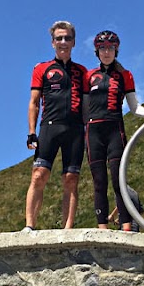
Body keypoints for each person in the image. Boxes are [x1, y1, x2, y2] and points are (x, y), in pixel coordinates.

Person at [83, 31, 144, 231]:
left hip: (114, 130)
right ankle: (102, 229)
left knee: (119, 181)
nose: (107, 52)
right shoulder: (88, 76)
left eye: (111, 48)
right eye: (102, 48)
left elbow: (135, 107)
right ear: (97, 51)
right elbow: (83, 109)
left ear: (116, 50)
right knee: (99, 182)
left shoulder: (125, 75)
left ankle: (126, 227)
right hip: (93, 132)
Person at [24, 21, 90, 231]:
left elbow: (90, 103)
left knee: (71, 179)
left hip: (75, 130)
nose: (63, 42)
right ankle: (29, 227)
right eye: (59, 38)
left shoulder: (82, 72)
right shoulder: (42, 69)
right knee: (39, 175)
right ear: (53, 42)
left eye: (67, 38)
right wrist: (32, 132)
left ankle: (67, 229)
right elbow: (34, 102)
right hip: (49, 127)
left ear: (74, 42)